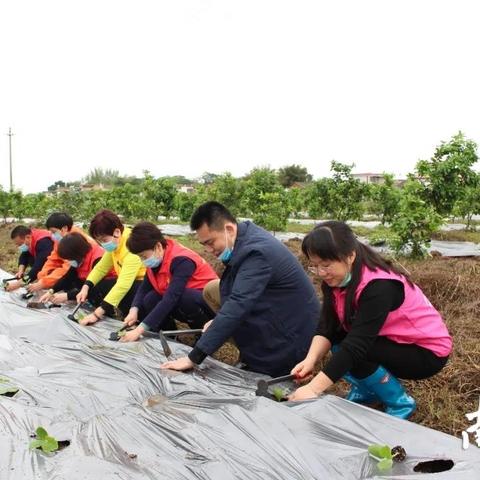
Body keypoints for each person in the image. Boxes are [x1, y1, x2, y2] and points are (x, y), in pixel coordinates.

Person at [288, 221, 452, 419]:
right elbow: (328, 326)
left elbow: (357, 345)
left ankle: (400, 403)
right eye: (314, 266)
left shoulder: (379, 286)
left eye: (326, 265)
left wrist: (313, 389)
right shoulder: (337, 279)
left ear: (350, 256)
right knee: (340, 344)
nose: (321, 273)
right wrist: (310, 360)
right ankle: (368, 391)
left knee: (352, 351)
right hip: (392, 340)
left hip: (425, 352)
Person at [161, 201, 320, 377]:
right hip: (277, 308)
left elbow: (238, 305)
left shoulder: (257, 252)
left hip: (291, 334)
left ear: (229, 229)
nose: (208, 249)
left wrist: (193, 357)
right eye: (203, 244)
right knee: (212, 290)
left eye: (210, 242)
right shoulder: (243, 237)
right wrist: (219, 322)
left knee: (234, 315)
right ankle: (245, 347)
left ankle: (261, 360)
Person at [118, 222, 218, 342]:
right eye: (140, 257)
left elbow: (171, 298)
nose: (143, 261)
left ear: (158, 246)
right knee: (150, 298)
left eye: (143, 256)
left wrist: (139, 330)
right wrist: (133, 310)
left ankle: (204, 337)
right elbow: (144, 288)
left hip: (210, 305)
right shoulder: (156, 259)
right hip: (183, 300)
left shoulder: (182, 260)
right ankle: (169, 337)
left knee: (185, 297)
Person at [76, 210, 146, 326]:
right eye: (99, 241)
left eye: (103, 240)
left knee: (127, 291)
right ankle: (127, 318)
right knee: (101, 285)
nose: (102, 244)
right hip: (132, 283)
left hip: (145, 283)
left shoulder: (131, 245)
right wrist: (86, 286)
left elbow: (123, 285)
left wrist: (96, 314)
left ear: (117, 232)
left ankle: (143, 323)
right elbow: (101, 268)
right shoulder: (116, 243)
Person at [39, 232, 116, 305]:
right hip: (91, 287)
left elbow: (95, 288)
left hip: (108, 288)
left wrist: (67, 296)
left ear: (76, 253)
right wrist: (51, 291)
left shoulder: (97, 258)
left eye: (69, 259)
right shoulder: (79, 259)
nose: (69, 261)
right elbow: (68, 277)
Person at [28, 212, 92, 293]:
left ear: (64, 228)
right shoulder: (61, 238)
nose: (51, 235)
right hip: (77, 271)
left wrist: (44, 283)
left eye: (53, 232)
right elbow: (53, 259)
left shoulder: (75, 240)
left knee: (70, 281)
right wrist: (42, 275)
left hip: (87, 275)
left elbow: (67, 268)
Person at [6, 226, 54, 292]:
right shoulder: (31, 237)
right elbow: (24, 254)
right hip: (44, 260)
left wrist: (18, 284)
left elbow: (38, 267)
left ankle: (51, 283)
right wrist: (21, 270)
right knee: (30, 258)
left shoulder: (44, 242)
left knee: (39, 271)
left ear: (27, 237)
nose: (19, 247)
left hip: (58, 264)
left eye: (20, 245)